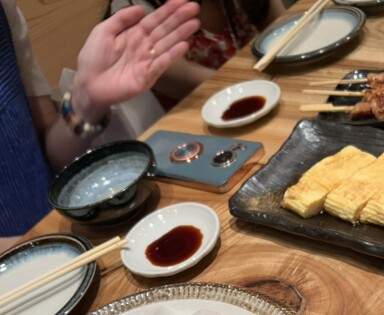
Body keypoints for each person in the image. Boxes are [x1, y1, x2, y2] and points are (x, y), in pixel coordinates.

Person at [0, 0, 200, 251]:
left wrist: (87, 101)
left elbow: (49, 159)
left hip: (59, 233)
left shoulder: (6, 11)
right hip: (38, 253)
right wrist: (35, 248)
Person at [147, 0, 287, 110]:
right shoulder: (145, 12)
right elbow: (185, 82)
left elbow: (284, 31)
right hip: (204, 119)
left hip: (270, 91)